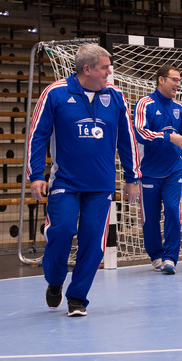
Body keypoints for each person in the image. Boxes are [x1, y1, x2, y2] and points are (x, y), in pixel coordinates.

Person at [27, 44, 141, 317]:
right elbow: (37, 134)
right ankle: (54, 280)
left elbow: (128, 139)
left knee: (93, 243)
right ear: (86, 69)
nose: (109, 72)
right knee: (62, 232)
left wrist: (132, 177)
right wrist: (35, 175)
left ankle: (77, 297)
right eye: (104, 67)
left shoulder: (115, 97)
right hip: (64, 183)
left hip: (101, 186)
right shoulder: (55, 93)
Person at [134, 65, 182, 274]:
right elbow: (140, 133)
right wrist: (167, 137)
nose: (178, 84)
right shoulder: (145, 104)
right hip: (148, 171)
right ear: (161, 80)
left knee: (174, 212)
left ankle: (170, 258)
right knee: (151, 218)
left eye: (179, 80)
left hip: (173, 170)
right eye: (174, 79)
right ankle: (156, 255)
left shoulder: (179, 107)